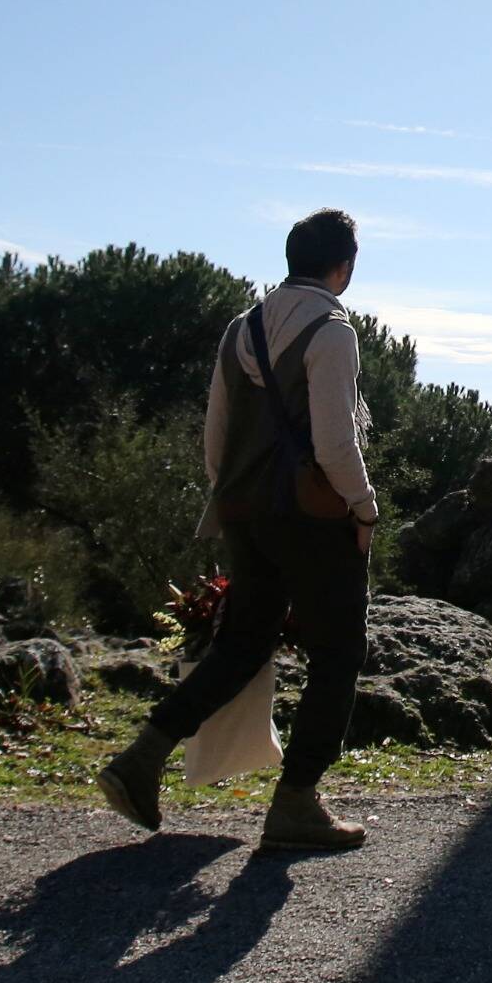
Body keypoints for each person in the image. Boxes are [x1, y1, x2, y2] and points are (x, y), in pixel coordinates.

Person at [97, 208, 378, 850]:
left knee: (243, 644)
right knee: (338, 654)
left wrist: (237, 503)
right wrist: (364, 508)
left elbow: (214, 439)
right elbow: (336, 442)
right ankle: (297, 804)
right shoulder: (333, 331)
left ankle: (142, 756)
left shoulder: (240, 330)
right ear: (344, 268)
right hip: (314, 518)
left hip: (244, 511)